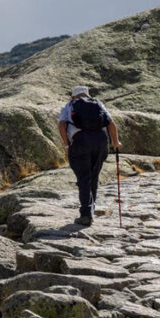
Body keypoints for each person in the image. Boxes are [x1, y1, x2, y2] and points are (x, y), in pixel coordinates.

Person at [58, 85, 121, 226]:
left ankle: (86, 215)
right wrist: (116, 142)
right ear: (87, 95)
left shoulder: (70, 105)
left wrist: (66, 143)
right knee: (93, 176)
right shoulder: (98, 104)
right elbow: (111, 123)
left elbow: (62, 125)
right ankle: (91, 209)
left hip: (80, 142)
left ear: (73, 96)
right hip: (100, 142)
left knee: (83, 178)